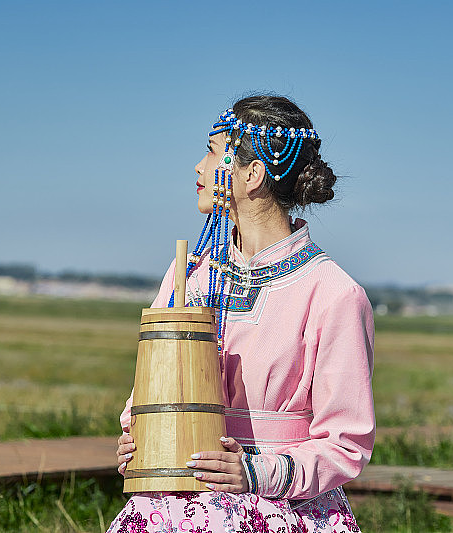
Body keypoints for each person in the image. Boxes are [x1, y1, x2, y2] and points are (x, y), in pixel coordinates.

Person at [107, 95, 375, 533]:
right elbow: (149, 391)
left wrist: (255, 472)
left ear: (252, 173)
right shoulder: (188, 275)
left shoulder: (334, 294)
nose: (198, 166)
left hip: (281, 511)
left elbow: (347, 443)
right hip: (173, 506)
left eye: (212, 151)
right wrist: (140, 437)